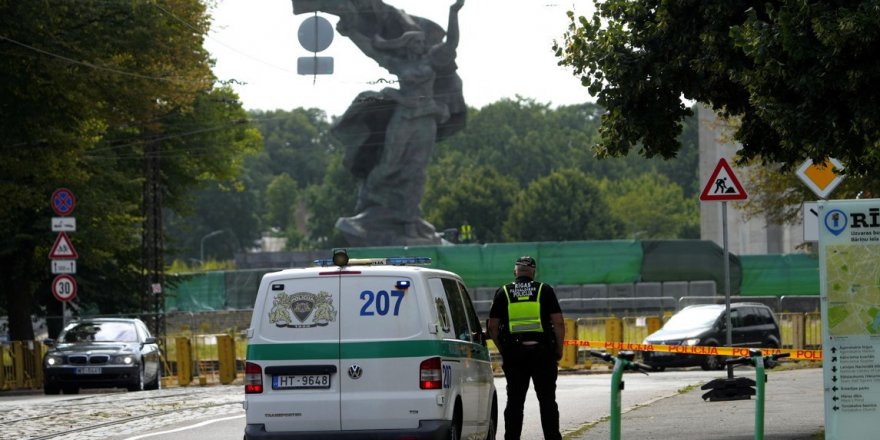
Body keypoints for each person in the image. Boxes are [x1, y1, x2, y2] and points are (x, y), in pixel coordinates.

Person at [330, 0, 467, 245]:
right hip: (404, 117)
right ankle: (372, 207)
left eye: (420, 42)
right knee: (389, 163)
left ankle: (409, 220)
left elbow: (452, 43)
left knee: (416, 170)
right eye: (414, 41)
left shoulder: (431, 61)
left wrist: (453, 12)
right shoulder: (399, 64)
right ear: (406, 45)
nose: (418, 45)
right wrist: (350, 32)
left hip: (426, 120)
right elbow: (371, 49)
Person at [488, 256, 564, 440]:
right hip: (542, 354)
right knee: (547, 402)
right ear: (533, 272)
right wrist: (559, 349)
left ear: (515, 272)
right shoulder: (545, 290)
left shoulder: (503, 292)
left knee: (515, 402)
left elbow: (491, 327)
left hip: (514, 355)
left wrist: (503, 349)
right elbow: (559, 323)